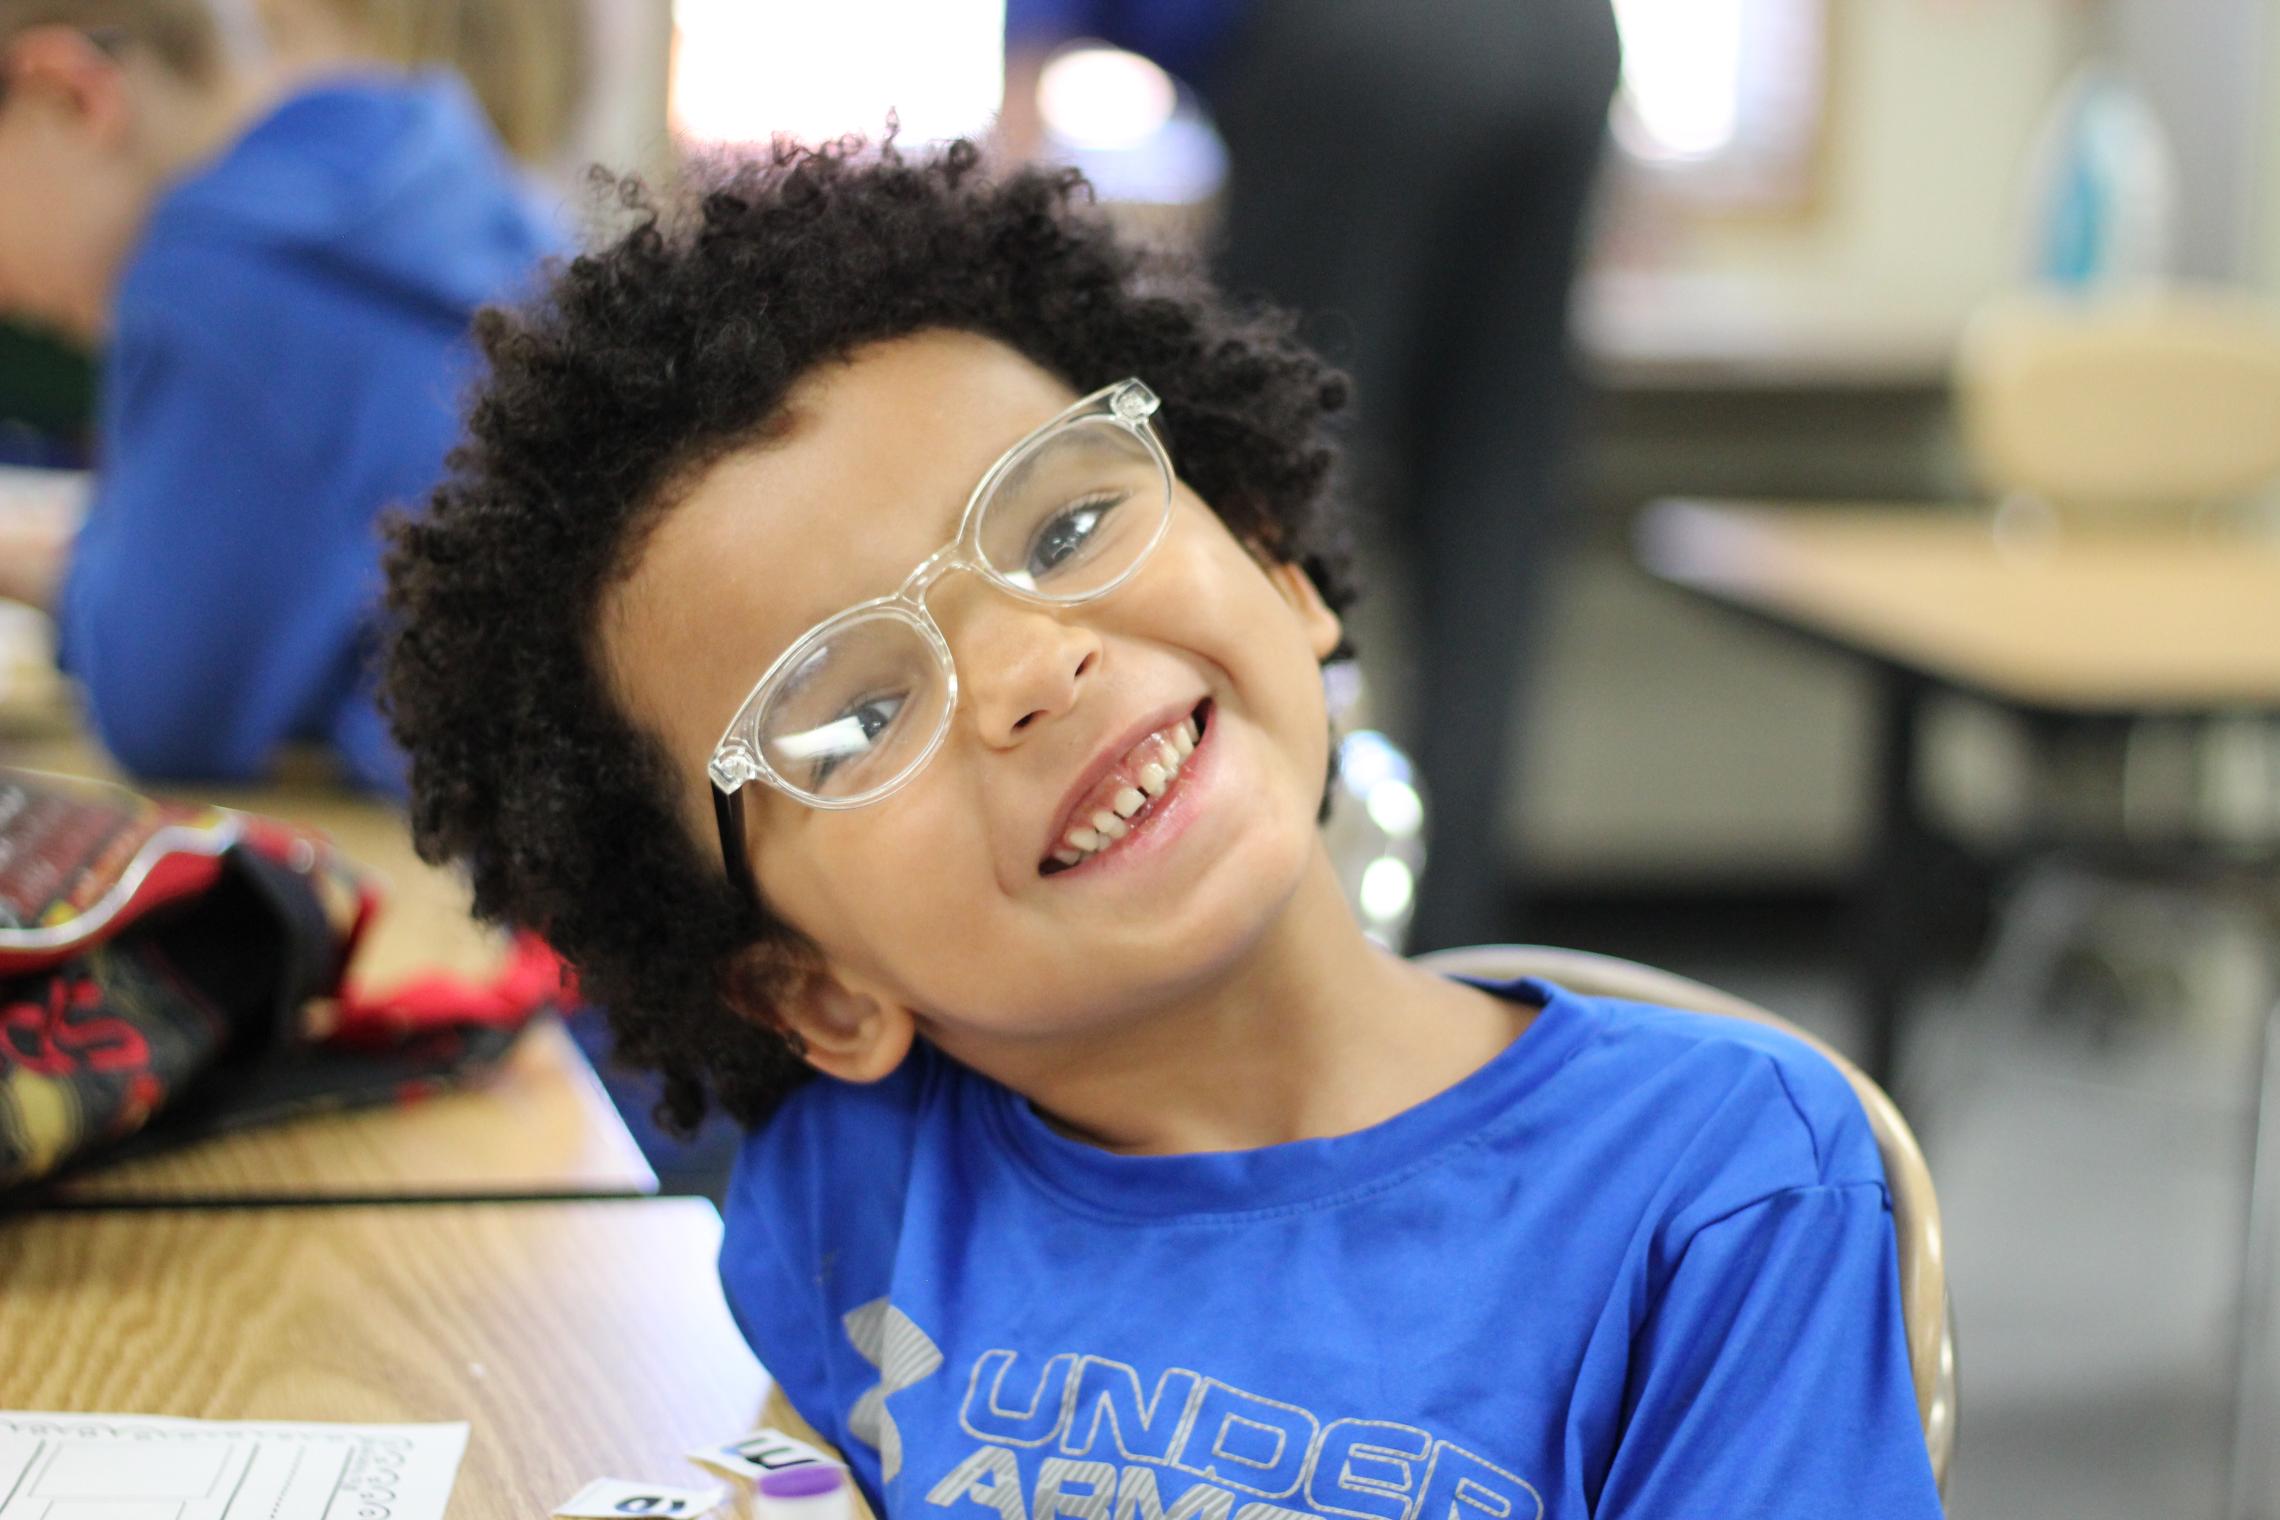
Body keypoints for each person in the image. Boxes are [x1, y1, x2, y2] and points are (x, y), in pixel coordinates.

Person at [381, 139, 1944, 1517]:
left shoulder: (1724, 1191)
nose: (1025, 668)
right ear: (811, 988)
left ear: (1273, 563)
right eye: (853, 714)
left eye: (1064, 523)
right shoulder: (856, 1194)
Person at [1000, 0, 1624, 951]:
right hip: (1564, 37)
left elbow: (1009, 173)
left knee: (1271, 503)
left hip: (1353, 45)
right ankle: (1455, 955)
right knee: (1493, 521)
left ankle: (1292, 947)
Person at [0, 0, 554, 790]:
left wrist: (66, 578)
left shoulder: (202, 275)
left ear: (71, 97)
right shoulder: (405, 149)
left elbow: (160, 709)